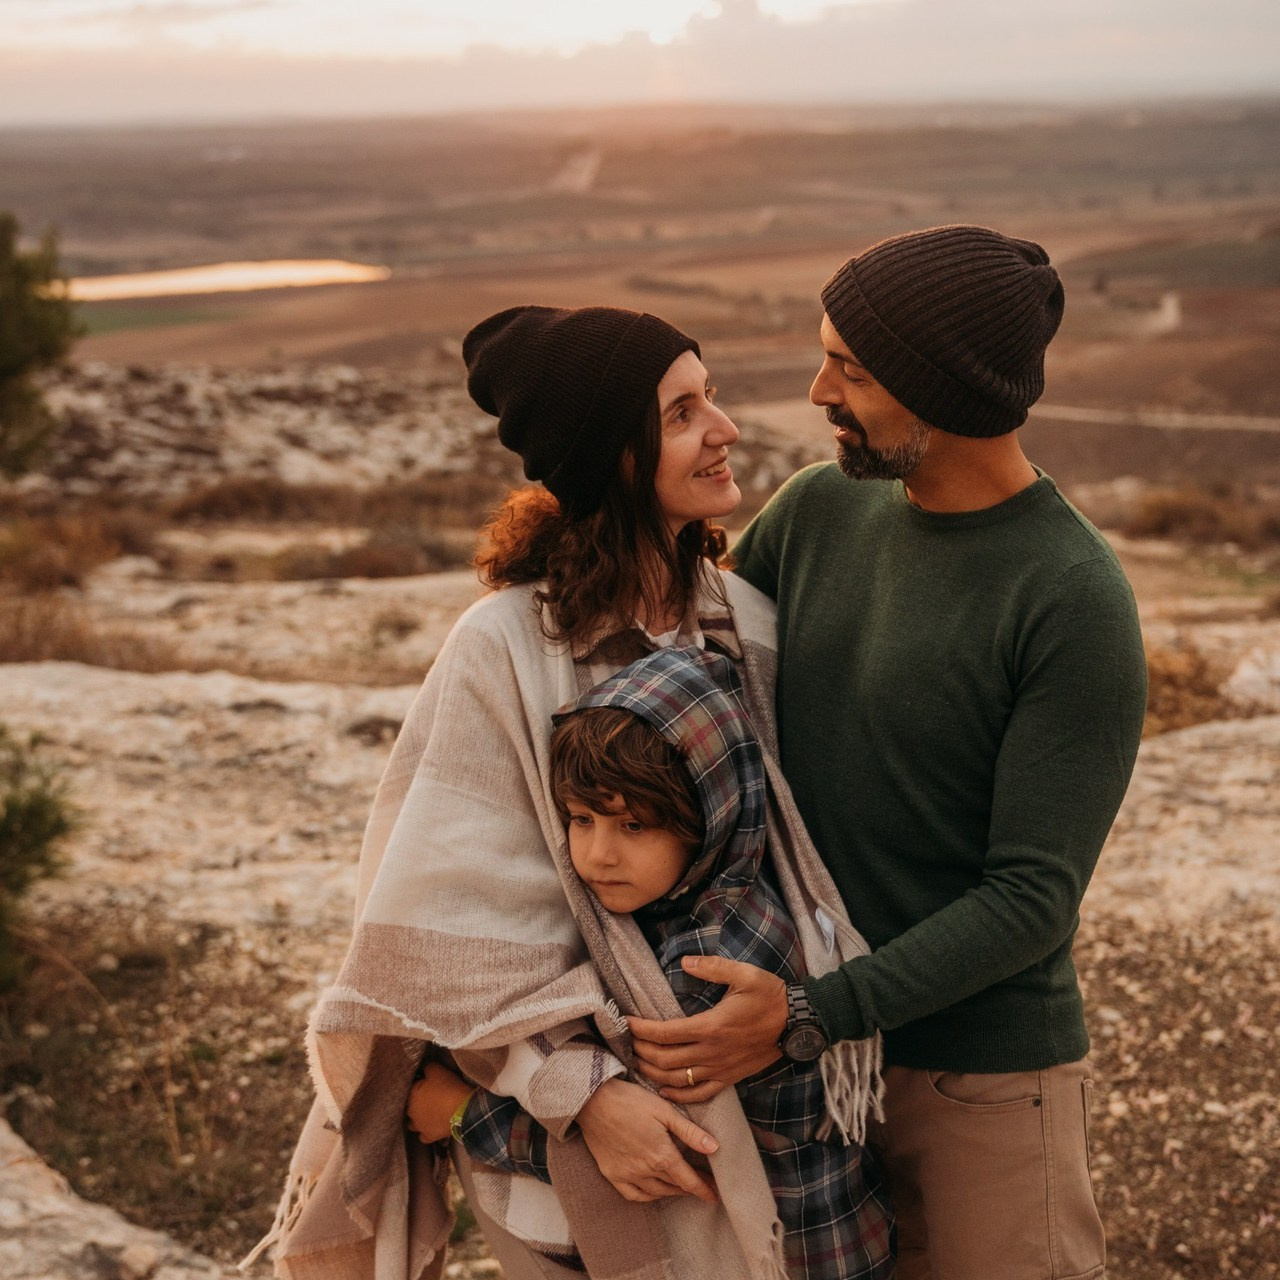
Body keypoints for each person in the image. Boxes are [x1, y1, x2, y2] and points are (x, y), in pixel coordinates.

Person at [252, 304, 883, 1280]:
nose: (724, 426)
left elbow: (775, 859)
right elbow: (442, 921)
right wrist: (582, 1092)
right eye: (681, 412)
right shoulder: (503, 647)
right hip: (571, 1148)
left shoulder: (743, 623)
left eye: (709, 396)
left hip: (777, 1119)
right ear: (612, 456)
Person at [627, 225, 1150, 1280]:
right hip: (796, 1075)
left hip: (976, 1081)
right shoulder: (821, 510)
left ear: (941, 389)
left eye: (852, 369)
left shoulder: (1070, 597)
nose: (818, 387)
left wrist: (810, 1016)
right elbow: (679, 659)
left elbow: (1030, 896)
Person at [407, 645, 893, 1280]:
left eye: (633, 826)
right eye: (581, 819)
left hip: (782, 1254)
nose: (598, 855)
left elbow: (656, 1157)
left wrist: (462, 1113)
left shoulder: (704, 966)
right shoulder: (737, 893)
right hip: (840, 1237)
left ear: (709, 816)